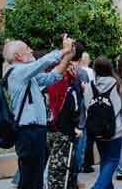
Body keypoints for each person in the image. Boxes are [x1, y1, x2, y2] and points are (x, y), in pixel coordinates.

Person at [5, 34, 75, 189]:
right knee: (30, 177)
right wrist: (64, 50)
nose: (31, 51)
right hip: (28, 131)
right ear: (18, 56)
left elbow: (53, 77)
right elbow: (44, 62)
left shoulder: (27, 76)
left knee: (35, 176)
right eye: (27, 49)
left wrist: (67, 57)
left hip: (35, 131)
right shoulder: (17, 72)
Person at [83, 58, 122, 189]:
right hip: (114, 130)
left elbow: (86, 107)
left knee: (105, 160)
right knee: (112, 161)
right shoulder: (117, 85)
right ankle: (97, 187)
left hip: (96, 130)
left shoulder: (90, 86)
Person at [46, 43, 86, 189]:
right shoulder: (70, 77)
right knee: (62, 169)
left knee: (54, 167)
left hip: (50, 126)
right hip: (65, 128)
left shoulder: (51, 74)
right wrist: (77, 125)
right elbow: (74, 104)